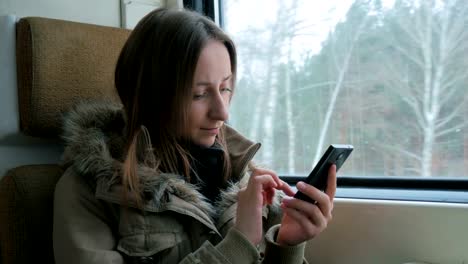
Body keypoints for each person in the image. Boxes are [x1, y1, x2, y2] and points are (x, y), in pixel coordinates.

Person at [53, 7, 337, 264]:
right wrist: (238, 246)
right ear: (152, 97)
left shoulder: (245, 182)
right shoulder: (90, 192)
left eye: (225, 88)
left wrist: (286, 246)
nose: (223, 113)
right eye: (199, 94)